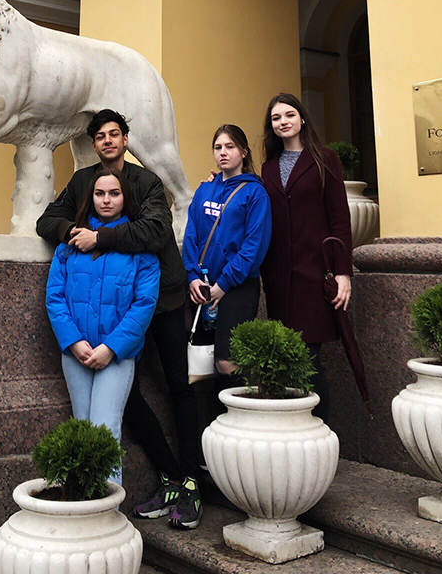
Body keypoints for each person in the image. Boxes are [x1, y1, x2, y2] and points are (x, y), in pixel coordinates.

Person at [37, 109, 204, 529]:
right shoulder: (82, 181)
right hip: (110, 306)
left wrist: (101, 237)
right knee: (126, 398)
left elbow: (156, 232)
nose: (108, 141)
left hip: (160, 299)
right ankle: (169, 476)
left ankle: (192, 484)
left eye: (115, 134)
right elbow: (47, 221)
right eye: (100, 136)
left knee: (178, 387)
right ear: (93, 144)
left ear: (126, 140)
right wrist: (75, 235)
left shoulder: (146, 181)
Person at [45, 165, 160, 482]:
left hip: (116, 356)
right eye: (99, 193)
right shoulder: (69, 246)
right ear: (91, 198)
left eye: (114, 193)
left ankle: (108, 507)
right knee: (82, 428)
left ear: (125, 198)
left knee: (105, 430)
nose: (106, 200)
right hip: (76, 354)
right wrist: (73, 341)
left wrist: (111, 347)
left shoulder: (140, 251)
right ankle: (86, 502)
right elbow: (55, 297)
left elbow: (144, 305)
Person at [259, 93, 353, 424]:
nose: (283, 121)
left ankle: (319, 433)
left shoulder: (325, 159)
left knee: (309, 358)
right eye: (276, 118)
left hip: (315, 274)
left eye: (289, 114)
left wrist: (343, 272)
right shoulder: (268, 167)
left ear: (301, 118)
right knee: (288, 358)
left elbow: (339, 218)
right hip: (278, 277)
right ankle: (296, 432)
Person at [182, 124, 271, 402]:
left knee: (226, 361)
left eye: (230, 147)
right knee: (202, 362)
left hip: (237, 287)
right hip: (202, 286)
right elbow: (191, 235)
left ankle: (237, 421)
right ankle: (213, 425)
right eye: (218, 147)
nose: (223, 152)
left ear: (243, 151)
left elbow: (253, 247)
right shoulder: (204, 190)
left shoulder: (255, 193)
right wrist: (192, 276)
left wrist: (223, 284)